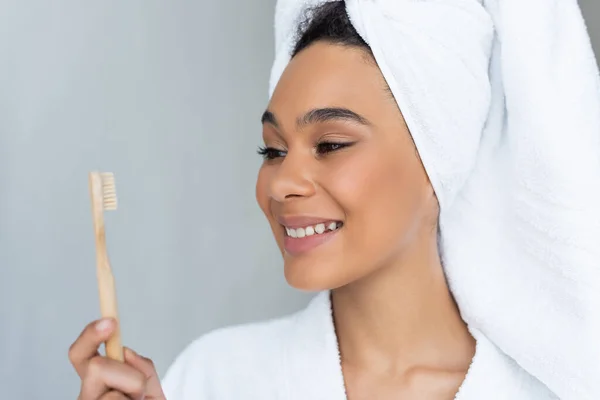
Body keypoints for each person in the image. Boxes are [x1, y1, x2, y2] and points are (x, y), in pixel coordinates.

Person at [68, 1, 600, 399]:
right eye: (272, 150)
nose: (281, 184)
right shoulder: (215, 378)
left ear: (440, 161)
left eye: (330, 145)